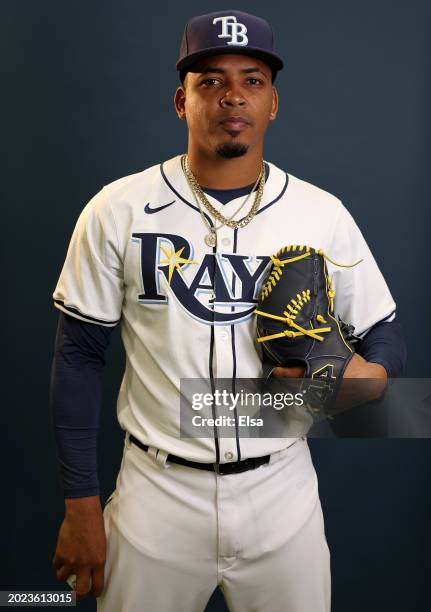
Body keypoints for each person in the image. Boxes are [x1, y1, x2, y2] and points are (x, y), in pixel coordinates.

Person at [50, 9, 406, 612]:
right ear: (181, 102)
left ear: (273, 103)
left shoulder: (322, 214)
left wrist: (357, 383)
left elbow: (384, 339)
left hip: (282, 487)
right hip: (155, 491)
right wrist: (81, 505)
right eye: (209, 81)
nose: (231, 96)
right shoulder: (118, 208)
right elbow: (79, 357)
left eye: (252, 79)